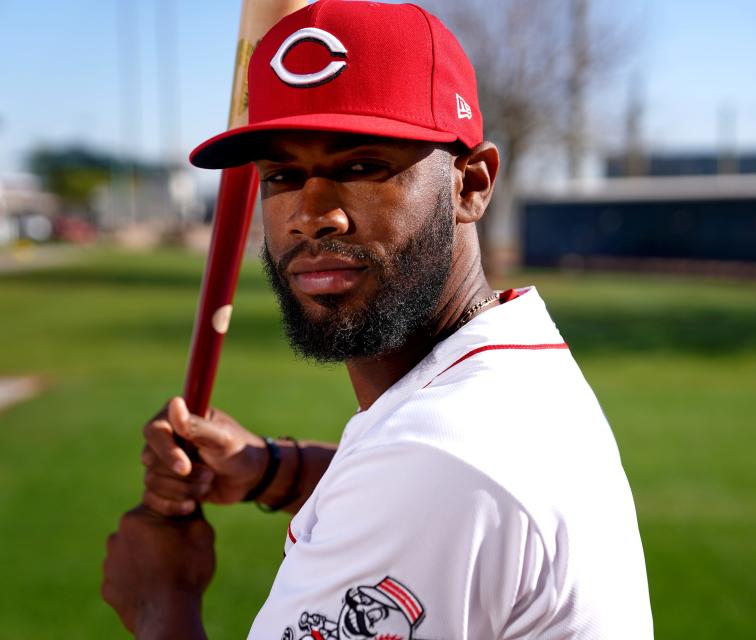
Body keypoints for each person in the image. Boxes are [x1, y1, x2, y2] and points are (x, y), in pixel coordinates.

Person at [101, 1, 654, 638]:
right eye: (282, 174)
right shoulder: (507, 372)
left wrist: (160, 602)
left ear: (471, 183)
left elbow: (433, 480)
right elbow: (432, 485)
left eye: (361, 167)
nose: (313, 214)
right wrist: (274, 470)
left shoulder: (438, 459)